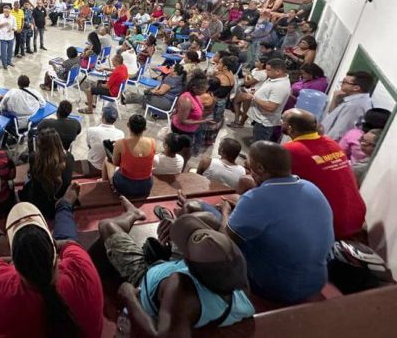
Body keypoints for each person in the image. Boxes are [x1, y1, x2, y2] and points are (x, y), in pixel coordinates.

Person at [0, 183, 103, 337]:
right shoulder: (81, 267)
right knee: (66, 236)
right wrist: (57, 244)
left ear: (15, 265)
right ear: (54, 253)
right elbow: (71, 244)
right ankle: (65, 206)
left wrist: (10, 259)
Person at [101, 200, 254, 336]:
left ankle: (133, 214)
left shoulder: (180, 286)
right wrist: (180, 224)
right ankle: (172, 223)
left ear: (188, 264)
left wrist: (129, 297)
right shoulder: (236, 277)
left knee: (107, 226)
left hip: (143, 276)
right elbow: (214, 223)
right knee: (207, 218)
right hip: (172, 265)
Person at [223, 141, 334, 304]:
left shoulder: (256, 198)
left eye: (249, 165)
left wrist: (225, 210)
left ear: (260, 168)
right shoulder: (311, 188)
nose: (248, 170)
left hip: (278, 288)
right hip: (317, 281)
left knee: (207, 222)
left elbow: (225, 238)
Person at [281, 109, 366, 240]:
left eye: (283, 121)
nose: (281, 123)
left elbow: (272, 179)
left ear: (290, 129)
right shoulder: (332, 143)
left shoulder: (291, 149)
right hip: (356, 215)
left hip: (329, 223)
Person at [21, 128, 74, 220]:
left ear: (40, 145)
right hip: (62, 198)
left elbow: (34, 179)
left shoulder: (34, 158)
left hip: (40, 201)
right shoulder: (69, 157)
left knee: (27, 179)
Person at [237, 58, 291, 142]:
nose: (266, 72)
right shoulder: (273, 79)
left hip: (265, 122)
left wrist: (253, 97)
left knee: (259, 145)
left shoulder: (281, 86)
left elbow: (271, 107)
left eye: (268, 70)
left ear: (278, 71)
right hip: (260, 119)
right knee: (256, 140)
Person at [104, 114, 155, 198]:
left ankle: (106, 183)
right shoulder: (152, 142)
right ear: (145, 128)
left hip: (125, 186)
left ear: (128, 125)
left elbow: (115, 162)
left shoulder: (120, 143)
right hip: (146, 186)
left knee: (107, 160)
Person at [322, 71, 375, 141]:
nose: (341, 84)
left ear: (356, 88)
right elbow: (334, 117)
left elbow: (339, 133)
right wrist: (335, 99)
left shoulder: (354, 106)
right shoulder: (356, 100)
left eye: (344, 82)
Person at [170, 74, 210, 145]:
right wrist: (202, 121)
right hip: (182, 131)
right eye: (203, 89)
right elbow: (182, 121)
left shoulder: (195, 96)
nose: (204, 92)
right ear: (195, 88)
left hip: (190, 129)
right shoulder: (187, 100)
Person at [232, 57, 269, 126]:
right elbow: (249, 78)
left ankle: (239, 122)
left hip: (252, 92)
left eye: (257, 61)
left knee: (245, 109)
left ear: (262, 64)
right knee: (237, 102)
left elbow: (248, 83)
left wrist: (247, 76)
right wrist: (248, 76)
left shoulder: (262, 73)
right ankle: (237, 121)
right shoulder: (255, 69)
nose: (255, 62)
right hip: (247, 89)